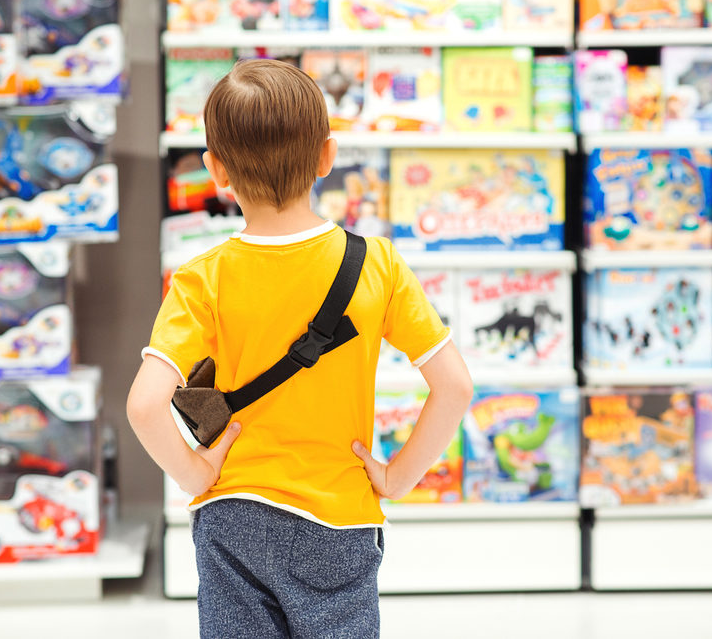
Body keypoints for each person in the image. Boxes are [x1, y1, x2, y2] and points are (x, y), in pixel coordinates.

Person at [125, 59, 473, 639]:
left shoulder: (201, 277)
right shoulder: (376, 264)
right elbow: (455, 386)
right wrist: (397, 479)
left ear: (216, 171)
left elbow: (143, 406)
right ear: (327, 158)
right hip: (337, 517)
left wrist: (193, 475)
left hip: (232, 511)